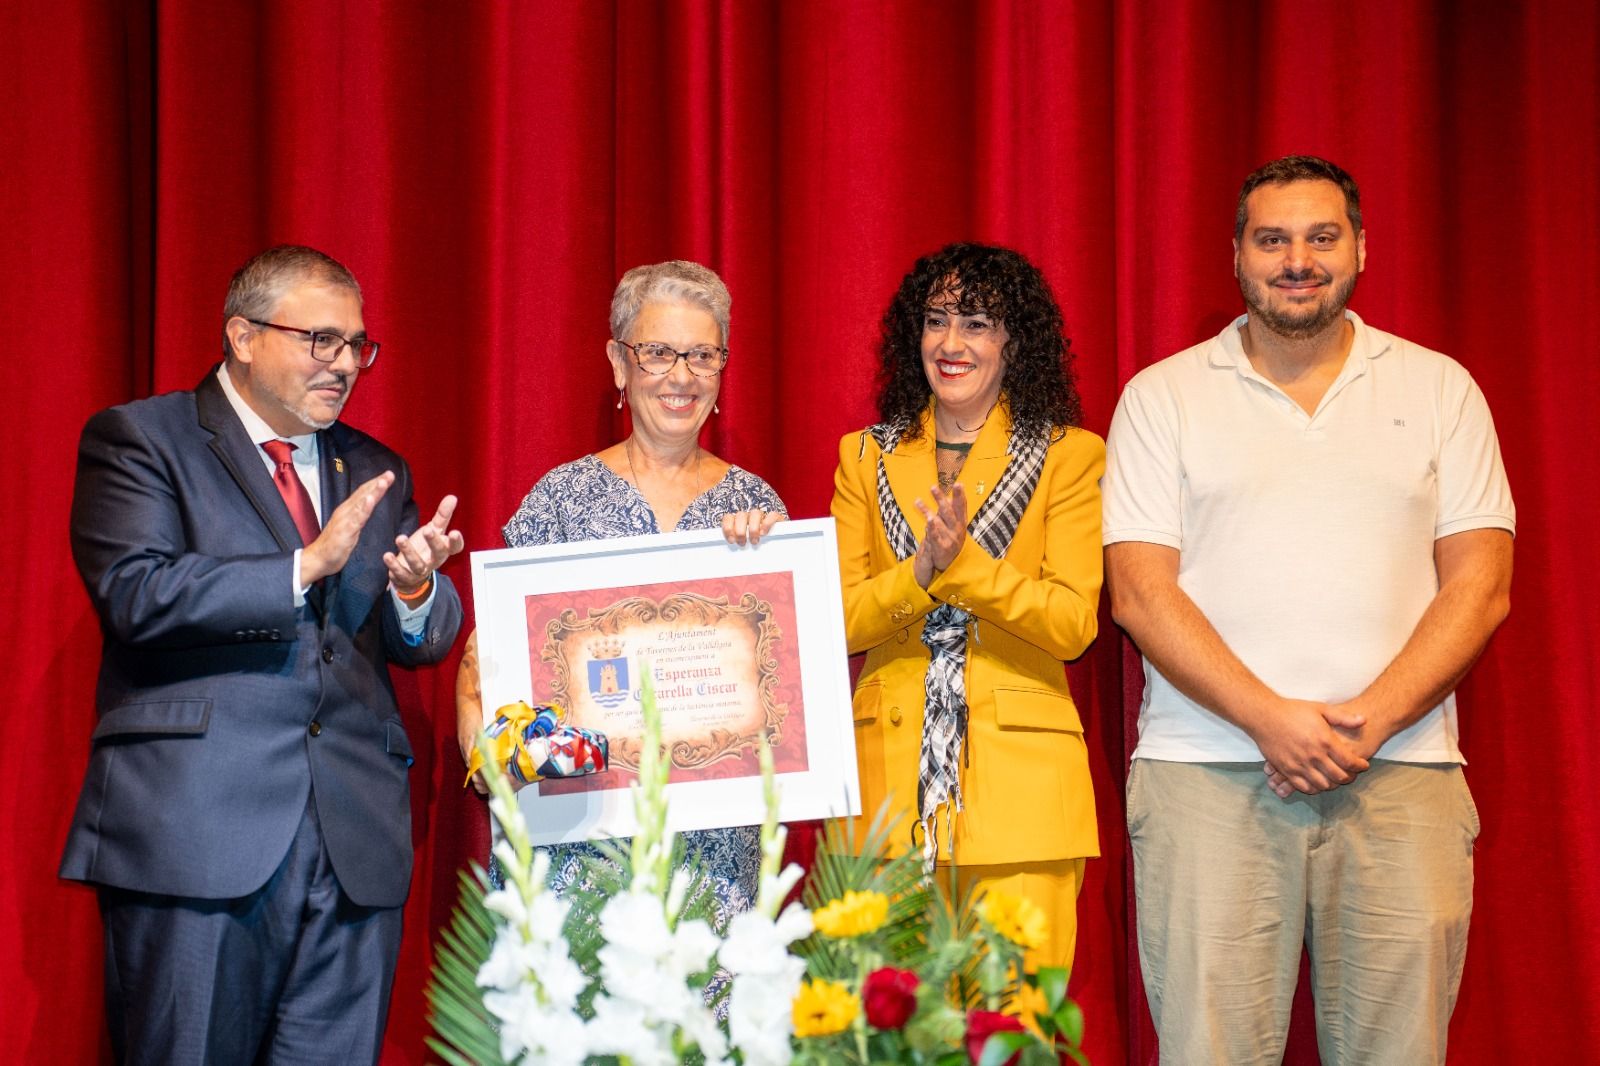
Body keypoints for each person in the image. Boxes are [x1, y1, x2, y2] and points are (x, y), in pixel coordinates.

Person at [1103, 156, 1515, 1064]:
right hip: (1205, 774)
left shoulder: (1441, 389)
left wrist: (1363, 725)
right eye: (1273, 239)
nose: (1298, 260)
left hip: (1402, 772)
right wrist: (1270, 721)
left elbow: (1482, 586)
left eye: (1322, 237)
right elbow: (1138, 592)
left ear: (1361, 248)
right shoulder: (1162, 397)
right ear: (1237, 256)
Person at [61, 245, 466, 1064]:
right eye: (322, 340)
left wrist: (418, 590)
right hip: (197, 835)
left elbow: (416, 641)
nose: (345, 364)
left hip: (352, 843)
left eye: (357, 345)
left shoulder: (375, 467)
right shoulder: (142, 439)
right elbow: (137, 593)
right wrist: (301, 567)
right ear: (243, 337)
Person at [456, 259, 784, 920]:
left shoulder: (756, 509)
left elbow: (783, 691)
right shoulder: (562, 499)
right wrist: (494, 763)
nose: (681, 376)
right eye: (658, 352)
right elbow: (481, 668)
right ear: (618, 363)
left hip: (715, 861)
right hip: (575, 854)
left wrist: (772, 569)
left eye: (702, 355)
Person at [830, 242, 1104, 972]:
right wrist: (919, 574)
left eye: (977, 323)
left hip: (1023, 798)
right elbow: (837, 622)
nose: (951, 343)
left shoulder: (1069, 455)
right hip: (884, 800)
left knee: (1014, 1026)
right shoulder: (864, 456)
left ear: (1014, 342)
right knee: (889, 1026)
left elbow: (1073, 625)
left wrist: (966, 571)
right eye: (936, 320)